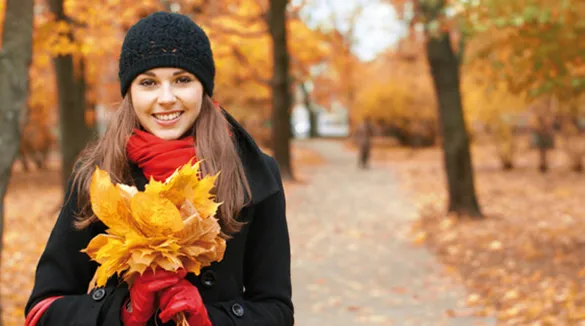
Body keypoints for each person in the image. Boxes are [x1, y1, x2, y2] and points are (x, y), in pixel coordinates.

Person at [24, 11, 294, 326]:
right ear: (130, 92)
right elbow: (42, 310)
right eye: (148, 82)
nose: (166, 99)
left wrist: (211, 320)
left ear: (203, 88)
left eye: (182, 79)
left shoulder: (252, 175)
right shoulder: (97, 175)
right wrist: (120, 313)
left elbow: (277, 311)